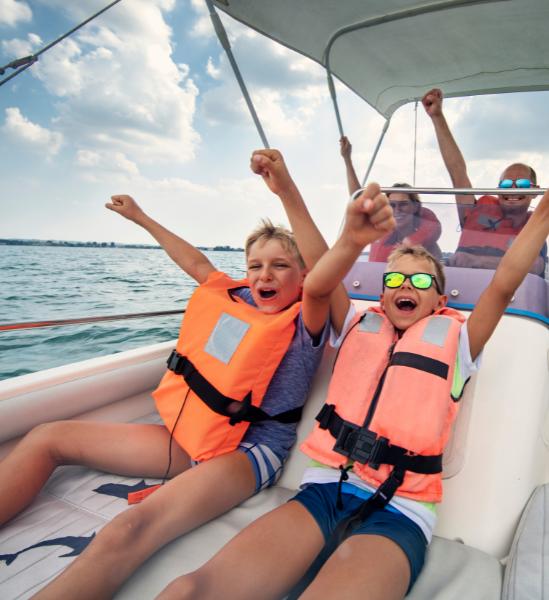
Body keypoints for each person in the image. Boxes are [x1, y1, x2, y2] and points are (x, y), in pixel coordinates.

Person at [157, 149, 549, 600]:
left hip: (402, 511)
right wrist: (286, 188)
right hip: (323, 492)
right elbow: (320, 271)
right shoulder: (353, 325)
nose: (406, 286)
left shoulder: (461, 341)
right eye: (395, 281)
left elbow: (505, 280)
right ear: (381, 300)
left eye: (422, 281)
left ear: (440, 303)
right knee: (194, 590)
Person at [0, 151, 334, 600]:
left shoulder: (307, 319)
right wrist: (140, 217)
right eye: (255, 265)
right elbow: (195, 263)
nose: (264, 275)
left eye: (280, 265)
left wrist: (285, 189)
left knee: (127, 529)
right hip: (194, 436)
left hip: (250, 451)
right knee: (46, 437)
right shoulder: (238, 301)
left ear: (303, 274)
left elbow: (326, 276)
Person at [421, 88, 549, 274]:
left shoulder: (537, 228)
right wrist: (437, 116)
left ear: (535, 191)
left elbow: (536, 266)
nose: (512, 190)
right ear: (498, 190)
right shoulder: (474, 212)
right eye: (506, 185)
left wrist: (478, 260)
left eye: (521, 184)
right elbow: (457, 173)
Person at [340, 136, 442, 261]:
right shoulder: (379, 231)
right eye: (392, 205)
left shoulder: (429, 246)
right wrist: (347, 159)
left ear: (415, 207)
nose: (397, 210)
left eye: (403, 204)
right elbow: (358, 200)